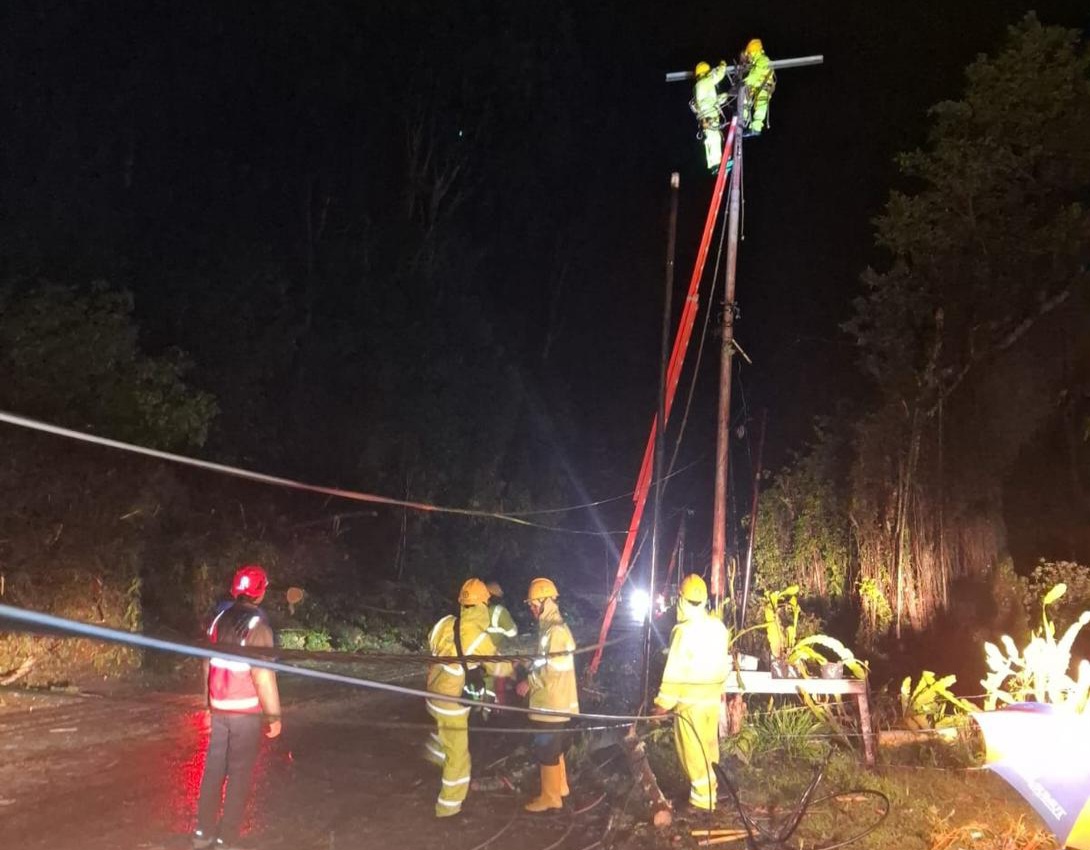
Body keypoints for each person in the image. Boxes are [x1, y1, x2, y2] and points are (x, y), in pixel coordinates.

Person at [192, 565, 282, 850]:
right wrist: (274, 716)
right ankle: (226, 840)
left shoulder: (218, 620)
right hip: (245, 714)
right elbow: (263, 676)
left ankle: (202, 834)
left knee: (213, 771)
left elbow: (206, 663)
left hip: (219, 708)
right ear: (260, 592)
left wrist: (207, 705)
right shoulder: (259, 627)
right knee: (239, 775)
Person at [425, 578, 514, 818]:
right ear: (484, 604)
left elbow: (434, 647)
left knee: (446, 734)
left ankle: (435, 752)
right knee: (459, 756)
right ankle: (448, 808)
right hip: (451, 703)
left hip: (431, 694)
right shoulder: (477, 637)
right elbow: (500, 669)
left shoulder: (444, 623)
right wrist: (511, 665)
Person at [651, 574, 730, 812]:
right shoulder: (718, 627)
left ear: (681, 600)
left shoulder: (683, 632)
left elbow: (673, 673)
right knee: (709, 747)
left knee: (692, 753)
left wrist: (661, 705)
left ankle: (701, 801)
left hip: (689, 705)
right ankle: (710, 791)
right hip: (711, 701)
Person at [516, 577, 579, 812]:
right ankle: (560, 788)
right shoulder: (550, 629)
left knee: (546, 749)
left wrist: (528, 682)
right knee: (553, 748)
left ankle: (550, 797)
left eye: (533, 604)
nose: (531, 608)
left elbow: (551, 671)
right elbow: (545, 662)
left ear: (544, 602)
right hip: (552, 700)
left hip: (551, 701)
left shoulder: (555, 631)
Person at [691, 60, 729, 173]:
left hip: (706, 117)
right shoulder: (707, 81)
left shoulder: (698, 86)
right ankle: (717, 164)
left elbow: (710, 100)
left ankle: (713, 164)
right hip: (710, 116)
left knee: (711, 139)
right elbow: (719, 75)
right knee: (715, 138)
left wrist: (724, 97)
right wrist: (723, 65)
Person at [484, 580, 518, 707]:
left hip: (475, 657)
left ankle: (483, 712)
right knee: (497, 686)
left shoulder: (476, 612)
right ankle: (497, 712)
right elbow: (512, 633)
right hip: (494, 658)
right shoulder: (499, 611)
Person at [741, 38, 776, 137]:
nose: (749, 57)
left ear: (753, 52)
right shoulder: (755, 62)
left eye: (749, 54)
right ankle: (742, 119)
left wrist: (745, 82)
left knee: (761, 104)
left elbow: (756, 74)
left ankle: (756, 128)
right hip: (755, 86)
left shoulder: (762, 59)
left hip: (764, 86)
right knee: (744, 99)